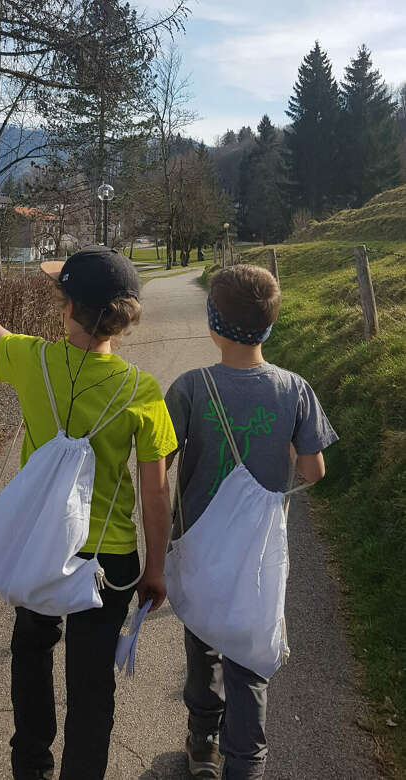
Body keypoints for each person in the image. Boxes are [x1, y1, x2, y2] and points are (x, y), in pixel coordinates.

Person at [0, 245, 177, 780]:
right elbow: (156, 493)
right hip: (109, 561)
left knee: (31, 653)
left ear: (69, 308)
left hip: (40, 548)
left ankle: (31, 767)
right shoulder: (142, 391)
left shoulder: (34, 360)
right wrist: (155, 568)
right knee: (93, 685)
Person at [164, 264, 338, 779]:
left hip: (197, 539)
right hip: (259, 547)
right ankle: (246, 764)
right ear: (271, 325)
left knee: (202, 637)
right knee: (251, 651)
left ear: (214, 325)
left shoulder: (190, 387)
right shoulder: (295, 389)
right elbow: (313, 470)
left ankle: (202, 742)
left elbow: (161, 462)